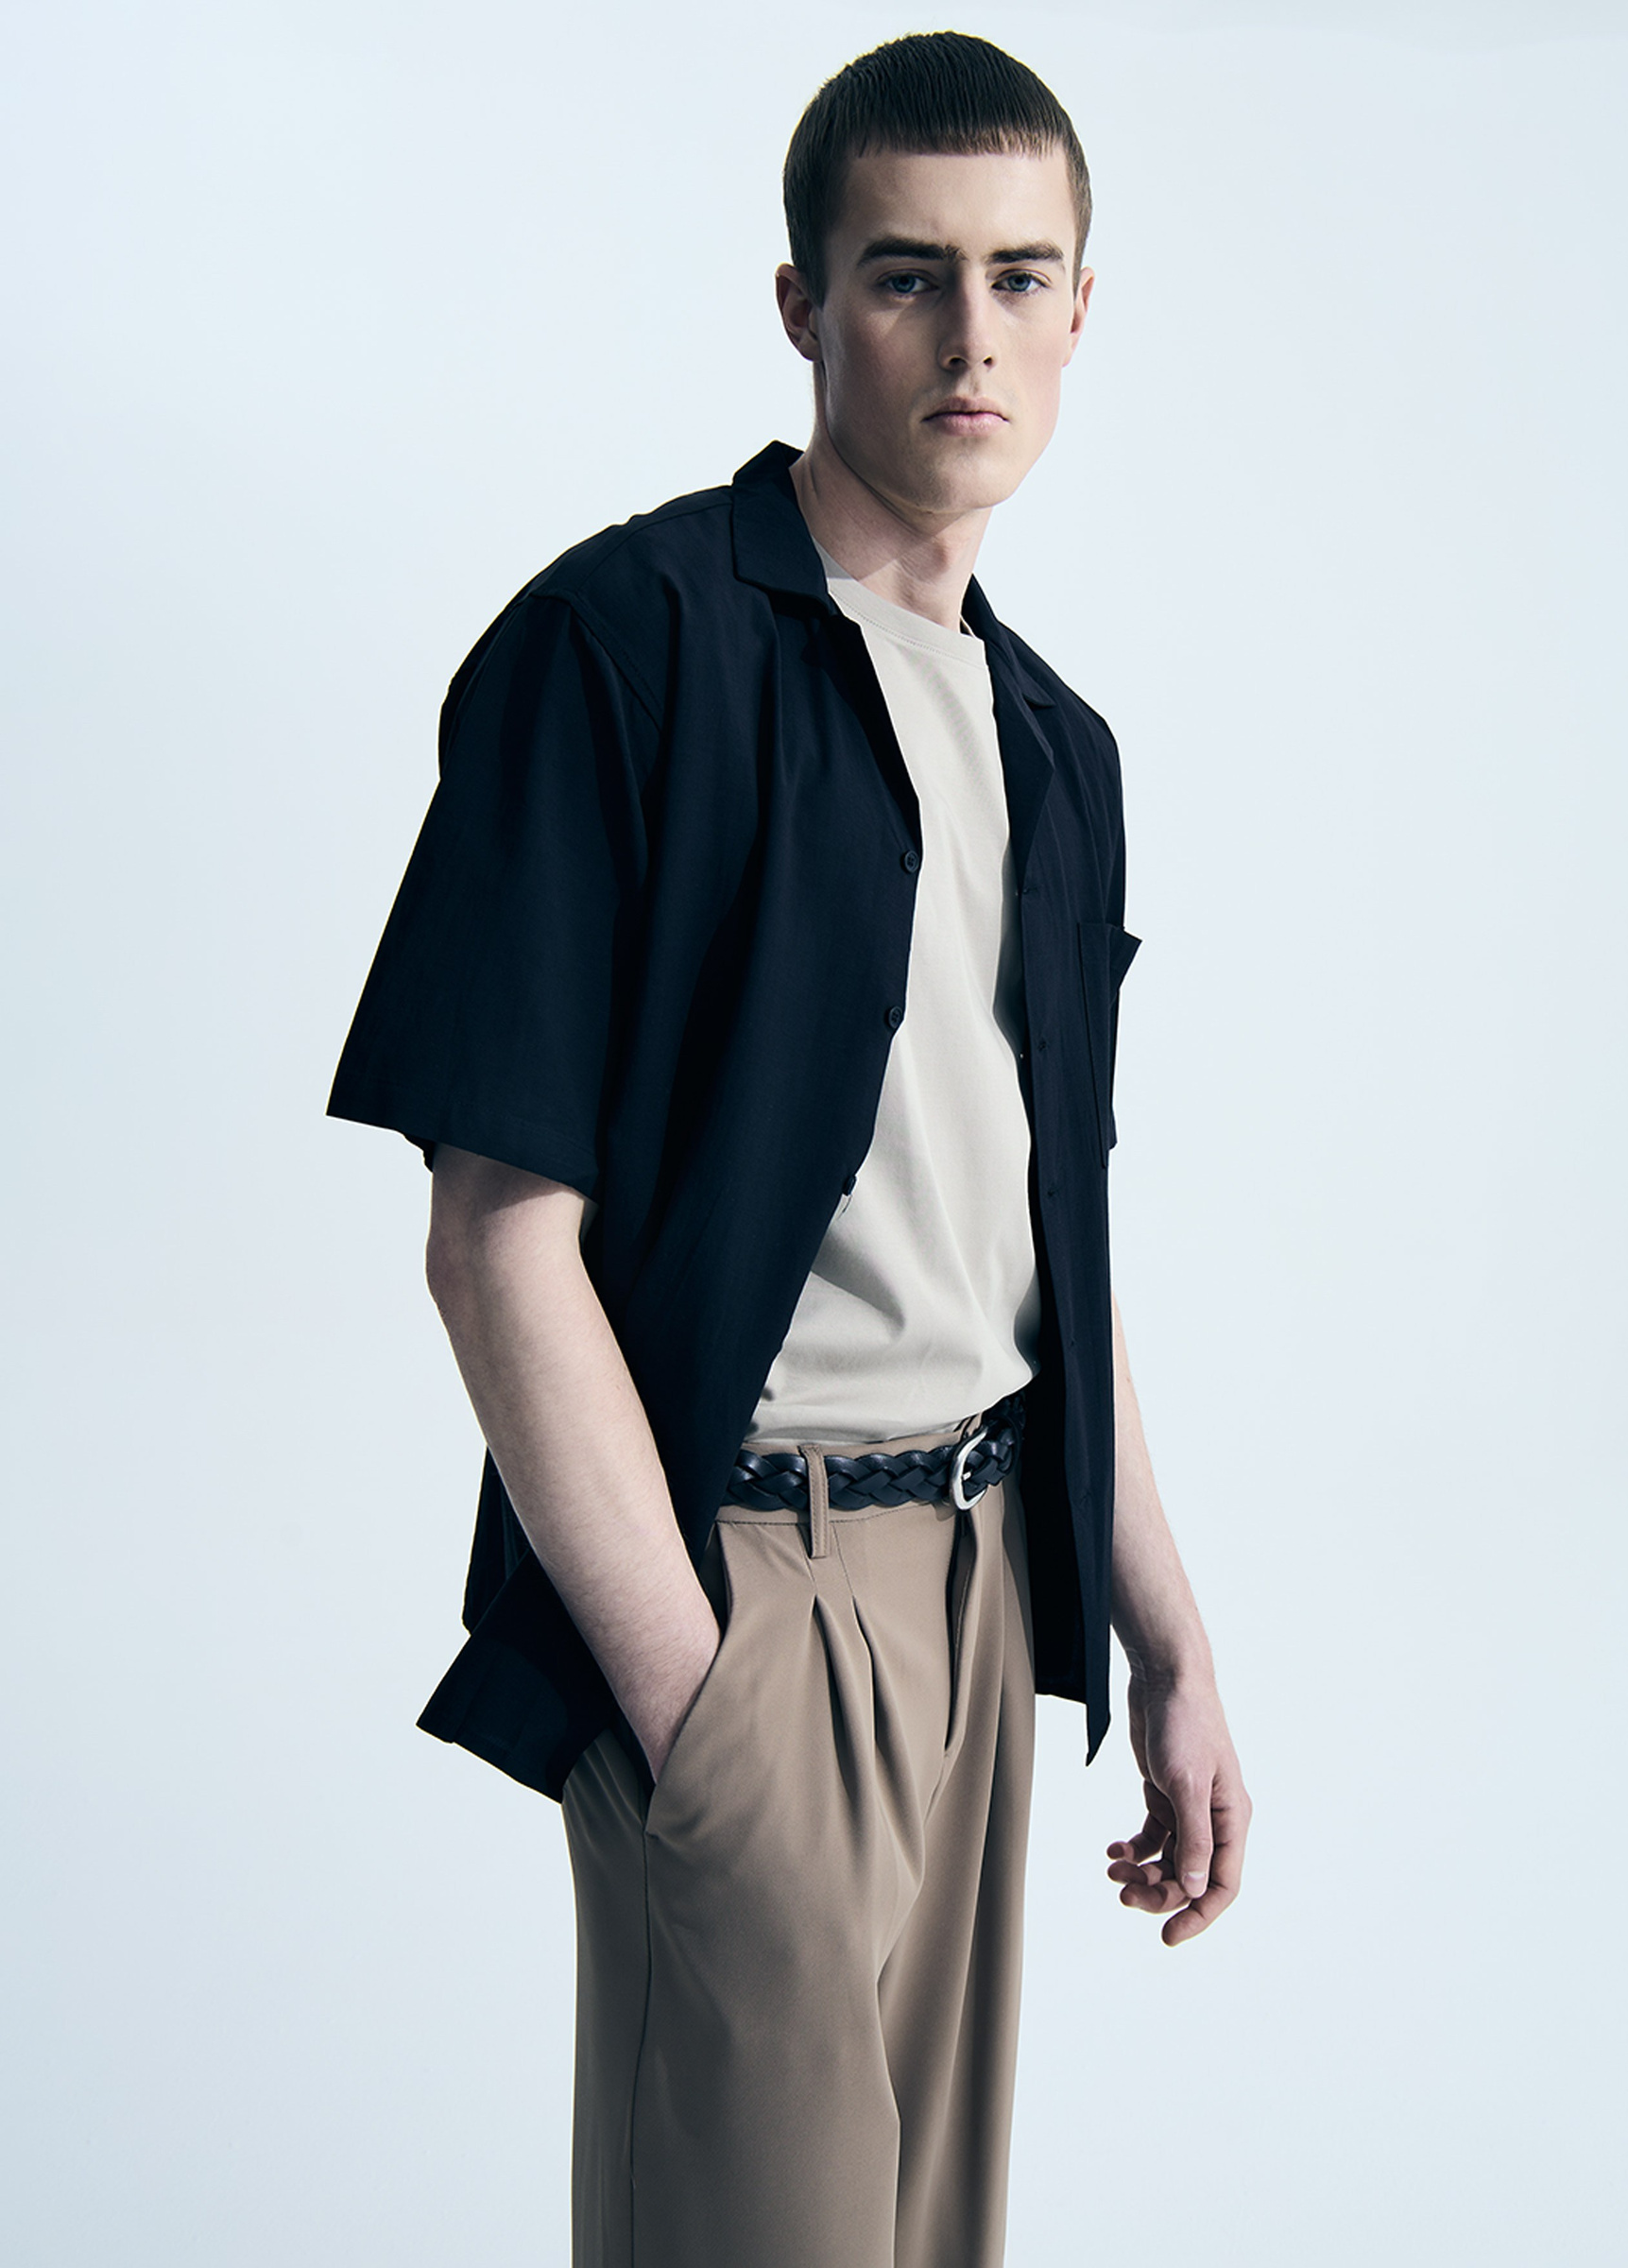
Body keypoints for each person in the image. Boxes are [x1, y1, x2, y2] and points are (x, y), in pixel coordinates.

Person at [327, 29, 1250, 2268]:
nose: (972, 339)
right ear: (805, 305)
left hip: (988, 1590)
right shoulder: (620, 649)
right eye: (908, 276)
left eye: (1019, 279)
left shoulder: (1059, 745)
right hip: (743, 1583)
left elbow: (1052, 1235)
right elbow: (494, 1237)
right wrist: (691, 1695)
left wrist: (1172, 1639)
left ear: (1084, 312)